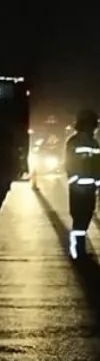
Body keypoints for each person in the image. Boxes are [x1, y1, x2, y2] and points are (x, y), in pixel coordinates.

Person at [65, 108, 100, 259]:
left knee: (85, 217)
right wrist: (75, 182)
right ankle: (78, 250)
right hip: (78, 190)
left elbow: (97, 165)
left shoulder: (94, 143)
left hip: (90, 189)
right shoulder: (74, 142)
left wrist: (97, 184)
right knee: (79, 219)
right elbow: (70, 165)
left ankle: (80, 249)